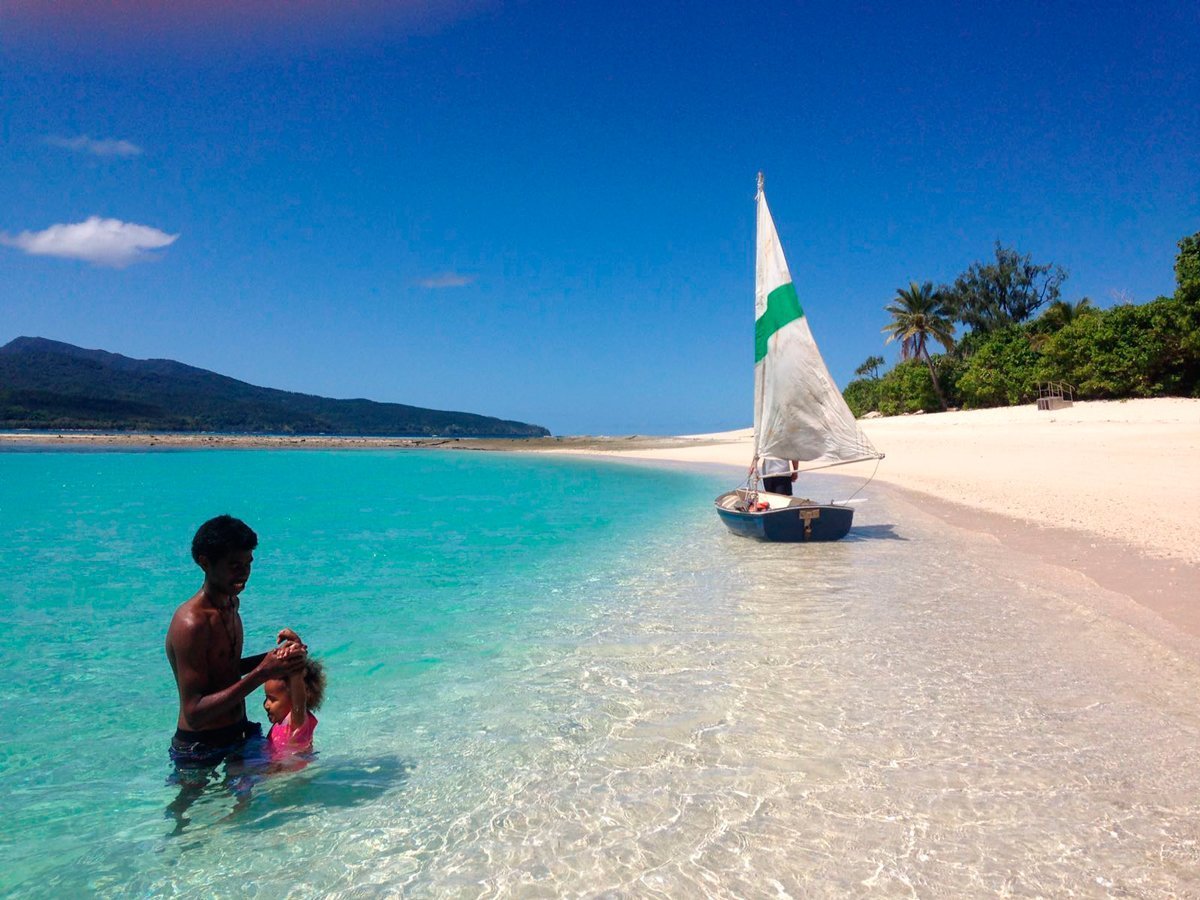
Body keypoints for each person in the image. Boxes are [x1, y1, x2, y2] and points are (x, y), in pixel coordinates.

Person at [166, 514, 307, 772]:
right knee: (187, 811)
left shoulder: (231, 604)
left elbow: (225, 669)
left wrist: (282, 658)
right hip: (199, 746)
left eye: (248, 564)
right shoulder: (191, 623)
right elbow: (194, 712)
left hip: (239, 732)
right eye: (234, 565)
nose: (244, 573)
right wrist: (262, 672)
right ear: (205, 563)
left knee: (259, 801)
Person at [263, 658, 326, 755]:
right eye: (266, 698)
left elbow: (299, 702)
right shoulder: (279, 723)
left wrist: (295, 673)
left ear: (293, 699)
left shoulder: (296, 723)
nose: (266, 705)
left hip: (293, 770)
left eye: (272, 699)